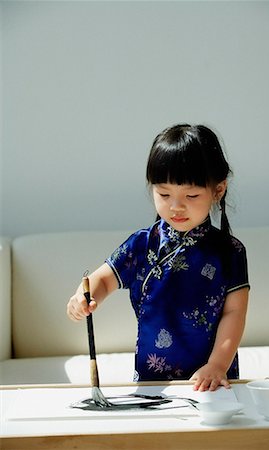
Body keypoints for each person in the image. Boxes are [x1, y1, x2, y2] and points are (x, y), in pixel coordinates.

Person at [67, 123, 250, 392]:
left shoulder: (230, 251)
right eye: (164, 194)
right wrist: (83, 298)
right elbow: (103, 281)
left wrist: (218, 364)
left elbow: (234, 313)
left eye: (191, 195)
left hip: (211, 378)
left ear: (218, 191)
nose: (176, 206)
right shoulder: (142, 244)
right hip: (152, 377)